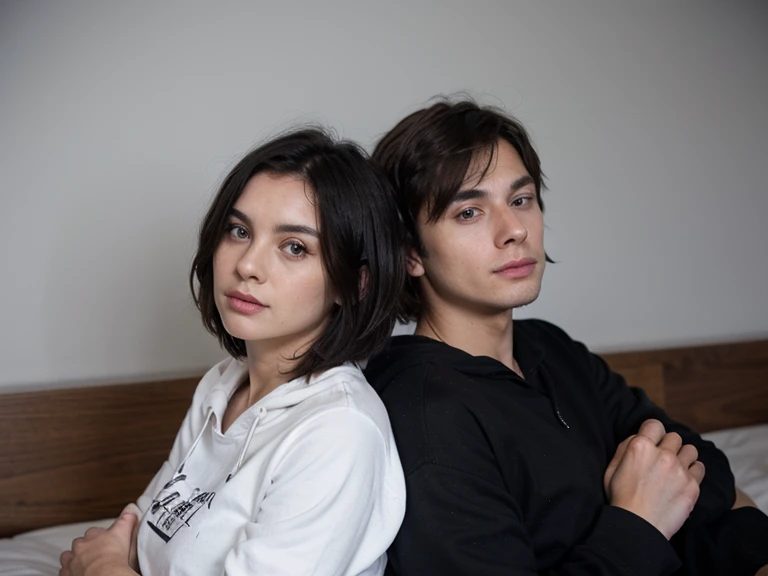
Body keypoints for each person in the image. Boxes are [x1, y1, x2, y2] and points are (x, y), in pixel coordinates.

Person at [364, 98, 768, 575]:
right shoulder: (427, 418)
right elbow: (664, 503)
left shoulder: (549, 347)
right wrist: (638, 520)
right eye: (469, 212)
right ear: (411, 253)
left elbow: (709, 475)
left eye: (521, 199)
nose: (514, 229)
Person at [59, 128, 407, 576]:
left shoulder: (340, 430)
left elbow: (115, 557)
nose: (247, 265)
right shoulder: (221, 385)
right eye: (239, 231)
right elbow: (137, 532)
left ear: (352, 284)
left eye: (294, 247)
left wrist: (102, 570)